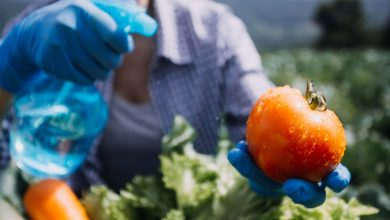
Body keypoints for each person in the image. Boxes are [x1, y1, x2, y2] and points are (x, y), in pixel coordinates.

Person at [0, 0, 350, 208]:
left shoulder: (213, 31)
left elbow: (261, 110)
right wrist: (9, 61)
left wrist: (284, 159)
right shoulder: (39, 31)